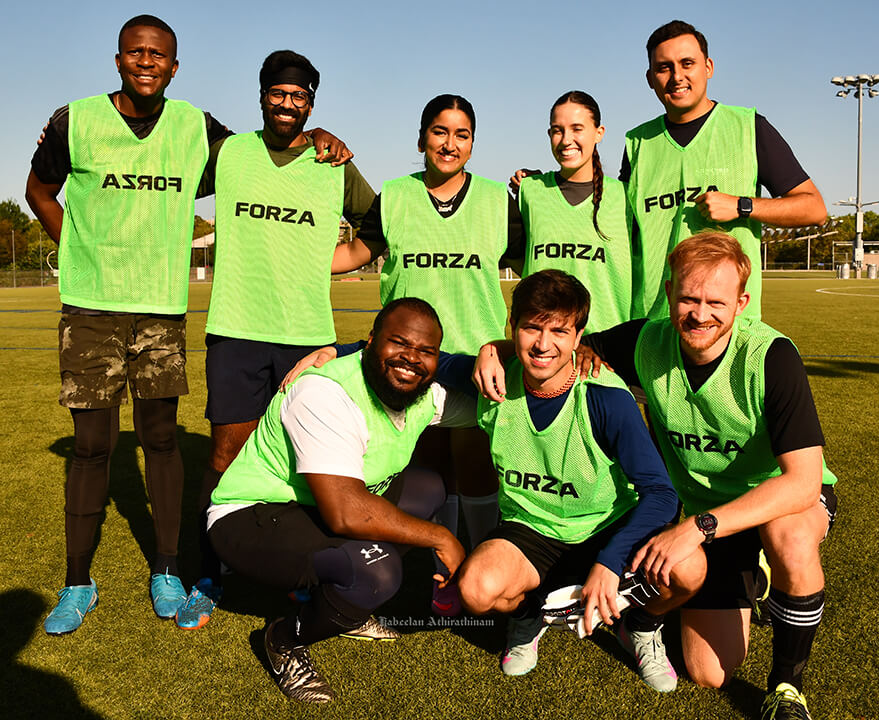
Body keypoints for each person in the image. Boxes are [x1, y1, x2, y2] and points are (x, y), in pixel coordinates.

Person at [23, 14, 349, 635]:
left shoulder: (199, 130)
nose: (146, 62)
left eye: (159, 55)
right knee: (92, 446)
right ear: (118, 59)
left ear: (175, 67)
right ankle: (77, 582)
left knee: (162, 439)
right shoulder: (74, 121)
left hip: (160, 309)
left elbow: (268, 147)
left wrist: (317, 135)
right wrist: (76, 252)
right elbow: (39, 190)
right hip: (91, 308)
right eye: (136, 52)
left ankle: (169, 570)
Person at [527, 232, 838, 720]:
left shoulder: (771, 356)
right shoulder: (647, 341)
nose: (700, 314)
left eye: (716, 302)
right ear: (670, 293)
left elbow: (802, 481)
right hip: (706, 515)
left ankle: (786, 688)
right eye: (689, 299)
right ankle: (752, 575)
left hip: (774, 504)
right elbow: (557, 345)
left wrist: (696, 527)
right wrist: (493, 350)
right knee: (709, 672)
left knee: (790, 536)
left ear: (741, 304)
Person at [179, 49, 375, 631]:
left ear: (311, 103)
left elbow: (380, 226)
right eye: (279, 93)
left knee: (304, 463)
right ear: (262, 95)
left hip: (307, 338)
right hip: (237, 331)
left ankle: (301, 575)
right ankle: (208, 574)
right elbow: (165, 180)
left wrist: (329, 262)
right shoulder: (229, 153)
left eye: (299, 96)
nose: (288, 104)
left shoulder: (333, 163)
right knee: (225, 458)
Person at [206, 298, 476, 704]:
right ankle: (284, 637)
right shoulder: (324, 391)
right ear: (369, 342)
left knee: (426, 490)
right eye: (399, 343)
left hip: (316, 507)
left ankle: (339, 602)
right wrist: (442, 537)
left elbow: (495, 402)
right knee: (378, 572)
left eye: (426, 351)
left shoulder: (423, 394)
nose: (411, 359)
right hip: (252, 515)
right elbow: (347, 513)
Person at [453, 270, 701, 689]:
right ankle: (528, 618)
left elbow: (661, 494)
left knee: (688, 567)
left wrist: (611, 560)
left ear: (578, 336)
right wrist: (339, 351)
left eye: (559, 331)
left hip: (608, 526)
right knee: (477, 589)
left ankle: (640, 626)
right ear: (512, 326)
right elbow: (420, 361)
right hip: (532, 529)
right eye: (531, 328)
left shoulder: (606, 397)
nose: (543, 344)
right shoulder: (492, 378)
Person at [332, 94, 525, 613]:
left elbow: (535, 262)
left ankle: (478, 563)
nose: (450, 143)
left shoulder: (496, 200)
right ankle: (440, 570)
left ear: (472, 145)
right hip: (410, 363)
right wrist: (292, 251)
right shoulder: (395, 195)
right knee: (425, 472)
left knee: (476, 465)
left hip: (477, 362)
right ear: (421, 139)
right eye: (440, 131)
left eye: (462, 134)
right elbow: (356, 252)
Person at [622, 20, 827, 322]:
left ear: (708, 67)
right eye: (664, 68)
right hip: (655, 326)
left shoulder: (749, 127)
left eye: (687, 63)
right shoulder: (637, 143)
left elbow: (814, 208)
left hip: (729, 325)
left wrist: (741, 206)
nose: (677, 77)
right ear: (650, 78)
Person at [514, 91, 635, 333]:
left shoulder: (626, 197)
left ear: (599, 133)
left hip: (607, 347)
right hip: (544, 344)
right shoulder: (530, 191)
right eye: (557, 130)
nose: (566, 140)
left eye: (577, 129)